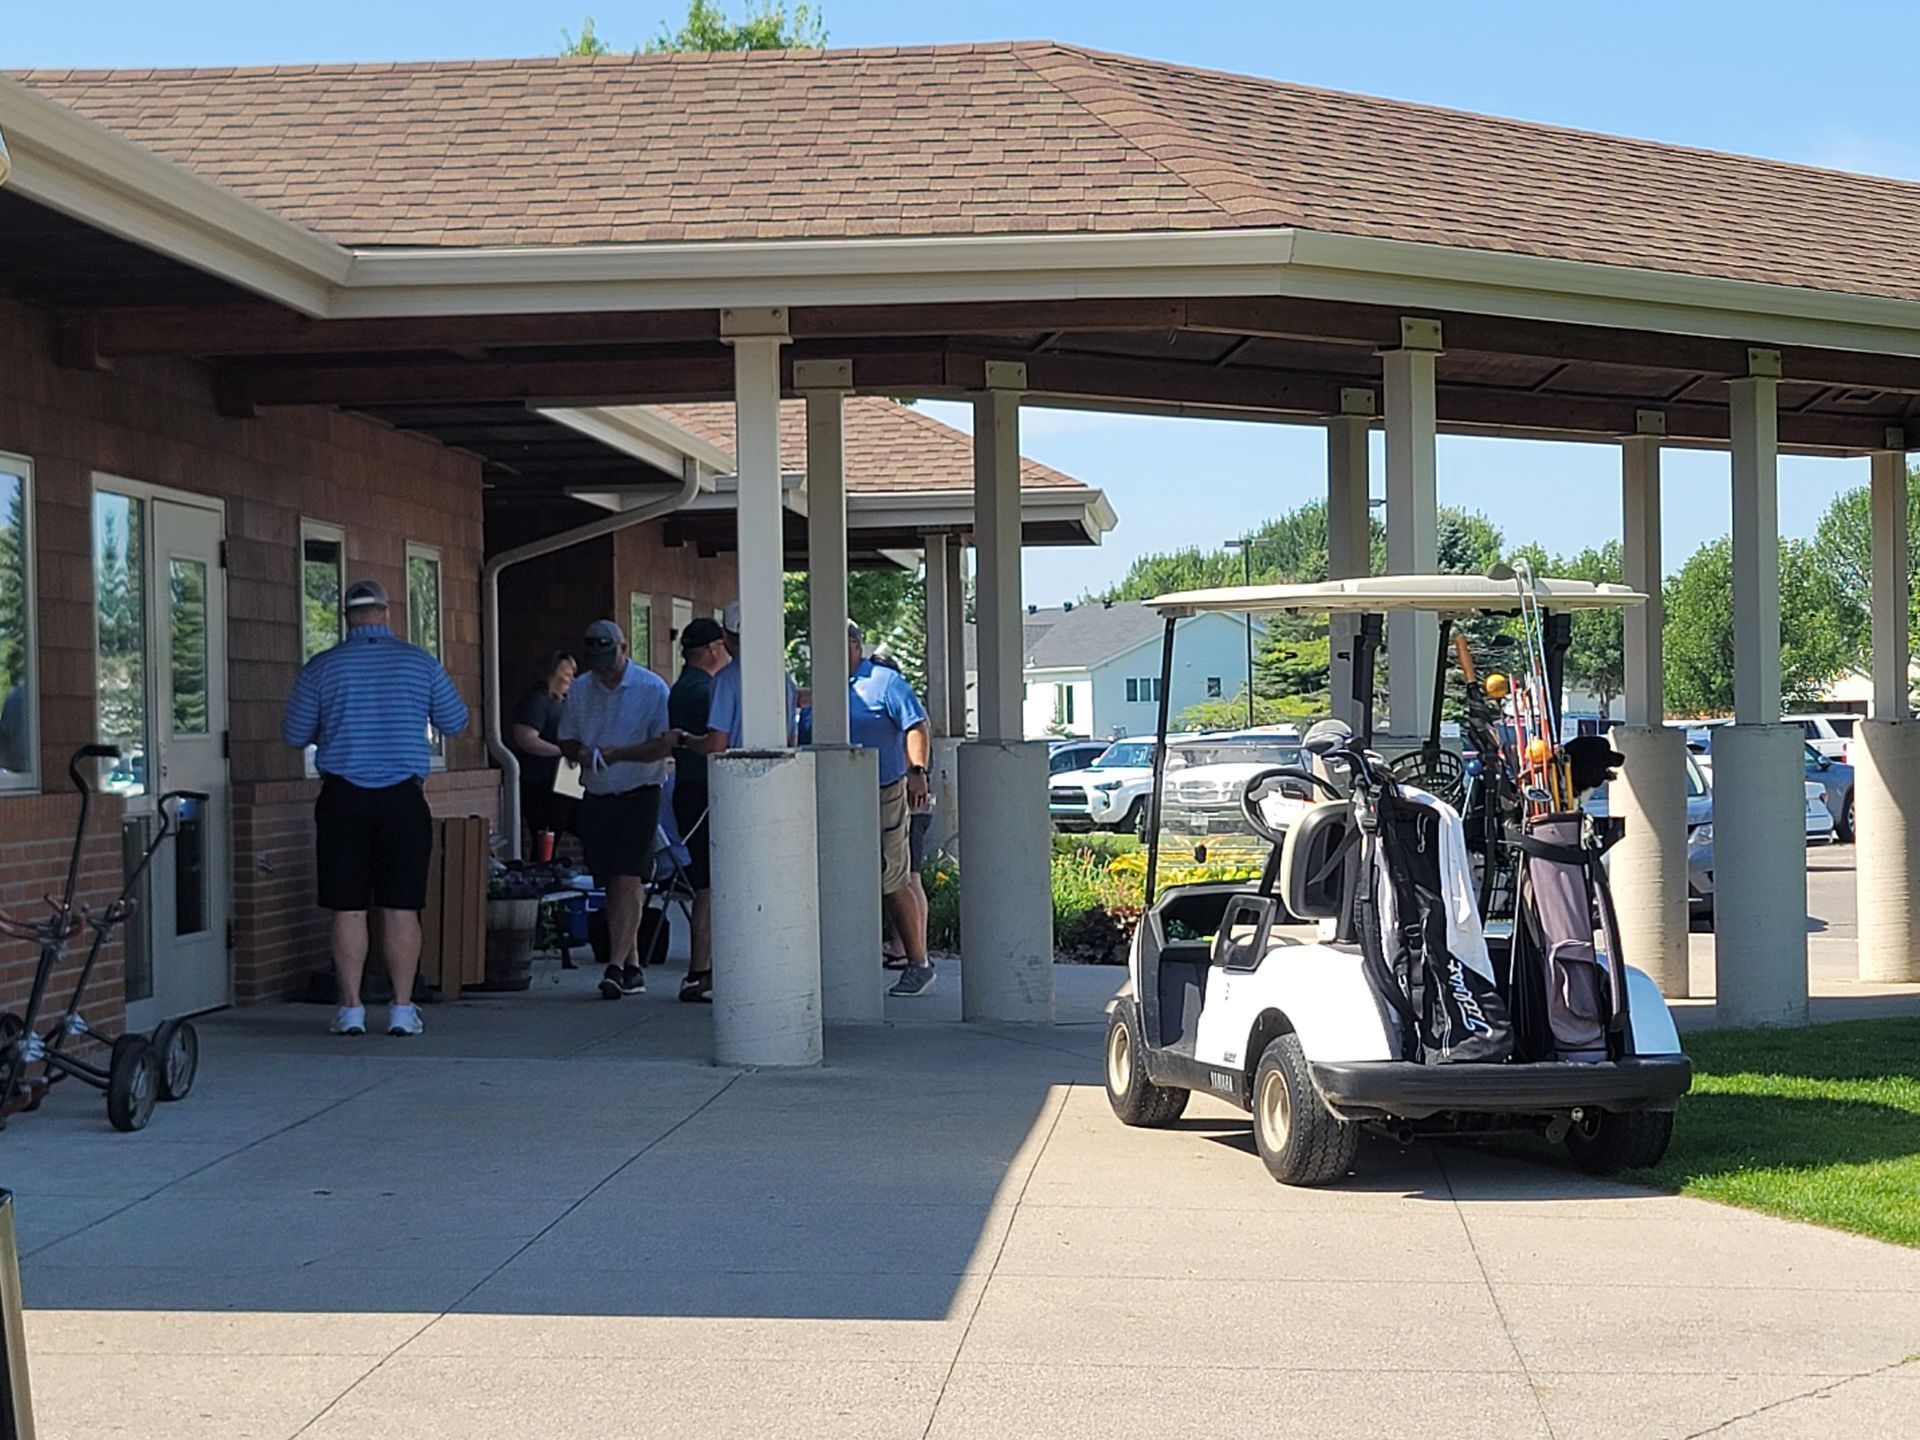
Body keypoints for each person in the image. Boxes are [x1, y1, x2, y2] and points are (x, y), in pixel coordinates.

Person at [282, 579, 469, 1038]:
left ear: (347, 617)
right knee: (401, 906)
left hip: (343, 795)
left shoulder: (322, 668)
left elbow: (293, 734)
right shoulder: (418, 663)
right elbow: (456, 721)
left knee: (347, 908)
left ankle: (351, 1009)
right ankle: (403, 1009)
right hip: (403, 797)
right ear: (386, 613)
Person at [558, 619, 683, 1001]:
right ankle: (632, 967)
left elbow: (664, 745)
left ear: (624, 649)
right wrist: (578, 752)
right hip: (596, 793)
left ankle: (613, 965)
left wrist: (619, 754)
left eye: (609, 660)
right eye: (597, 661)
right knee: (611, 880)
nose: (604, 669)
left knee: (629, 876)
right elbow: (566, 739)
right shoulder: (580, 690)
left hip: (640, 790)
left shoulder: (650, 688)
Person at [845, 622, 935, 997]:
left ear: (854, 645)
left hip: (883, 791)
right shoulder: (822, 686)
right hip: (837, 795)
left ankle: (918, 962)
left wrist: (917, 772)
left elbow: (916, 725)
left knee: (892, 877)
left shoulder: (884, 681)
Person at [667, 617, 728, 1002]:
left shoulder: (680, 687)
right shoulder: (708, 689)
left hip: (689, 789)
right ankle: (700, 970)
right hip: (705, 790)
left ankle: (703, 969)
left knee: (707, 881)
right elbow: (718, 740)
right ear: (713, 649)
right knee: (711, 883)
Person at [510, 650, 576, 852]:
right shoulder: (537, 701)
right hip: (540, 783)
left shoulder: (562, 703)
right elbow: (526, 738)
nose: (572, 679)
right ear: (553, 673)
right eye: (567, 674)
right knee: (545, 840)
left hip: (564, 783)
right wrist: (562, 751)